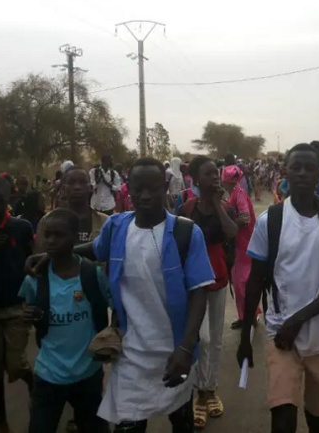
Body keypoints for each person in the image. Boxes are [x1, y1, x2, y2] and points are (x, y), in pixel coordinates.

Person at [27, 157, 214, 432]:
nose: (145, 195)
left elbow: (199, 292)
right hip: (131, 352)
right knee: (128, 423)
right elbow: (94, 249)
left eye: (153, 188)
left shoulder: (186, 232)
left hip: (174, 349)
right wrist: (52, 255)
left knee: (180, 419)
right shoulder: (117, 227)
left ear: (165, 187)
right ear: (128, 189)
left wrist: (186, 348)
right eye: (138, 189)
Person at [238, 143, 319, 433]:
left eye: (310, 168)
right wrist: (246, 336)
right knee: (282, 416)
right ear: (286, 172)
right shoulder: (270, 221)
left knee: (318, 418)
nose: (303, 173)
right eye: (296, 167)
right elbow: (255, 280)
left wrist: (298, 320)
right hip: (281, 334)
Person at [19, 209, 110, 433]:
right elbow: (26, 305)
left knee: (94, 426)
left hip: (87, 372)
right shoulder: (36, 277)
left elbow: (113, 305)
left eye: (58, 235)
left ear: (74, 236)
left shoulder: (91, 274)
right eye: (47, 235)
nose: (50, 241)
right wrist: (28, 314)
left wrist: (111, 337)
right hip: (49, 373)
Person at [176, 156, 237, 429]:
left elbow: (232, 233)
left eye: (217, 173)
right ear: (196, 179)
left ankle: (210, 389)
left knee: (217, 339)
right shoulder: (187, 207)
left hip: (219, 277)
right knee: (201, 337)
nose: (215, 177)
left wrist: (216, 204)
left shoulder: (223, 206)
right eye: (209, 174)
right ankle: (200, 392)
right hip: (193, 282)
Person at [0, 178, 35, 433]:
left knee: (16, 364)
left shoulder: (20, 227)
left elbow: (33, 258)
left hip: (15, 308)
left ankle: (36, 388)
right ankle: (2, 422)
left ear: (8, 201)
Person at [35, 167, 108, 252]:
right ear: (64, 189)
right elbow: (39, 256)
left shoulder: (105, 222)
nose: (77, 187)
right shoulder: (47, 222)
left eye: (82, 182)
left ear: (91, 188)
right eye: (71, 183)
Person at [221, 165, 258, 330]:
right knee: (240, 282)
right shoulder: (234, 193)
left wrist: (228, 226)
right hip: (239, 243)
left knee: (241, 282)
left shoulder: (239, 193)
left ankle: (248, 316)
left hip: (244, 243)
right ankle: (247, 315)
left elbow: (246, 218)